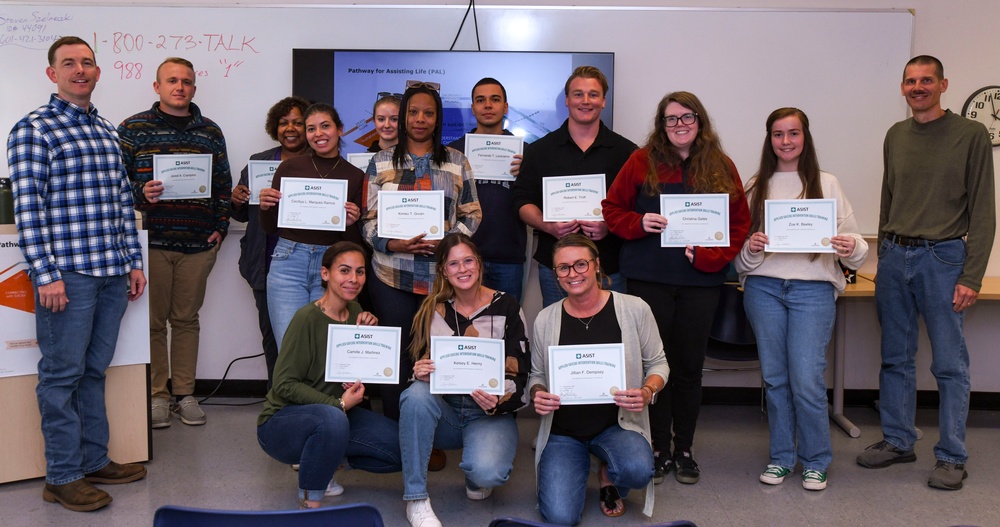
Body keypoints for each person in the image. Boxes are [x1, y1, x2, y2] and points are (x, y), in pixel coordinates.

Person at [6, 35, 147, 512]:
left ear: (97, 71)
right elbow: (29, 208)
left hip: (110, 272)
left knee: (92, 372)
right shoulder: (34, 129)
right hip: (68, 275)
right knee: (61, 375)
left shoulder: (107, 130)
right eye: (69, 63)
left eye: (87, 62)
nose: (80, 70)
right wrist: (45, 275)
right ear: (53, 73)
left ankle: (93, 459)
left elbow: (121, 204)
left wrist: (133, 260)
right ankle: (62, 476)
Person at [856, 55, 995, 491]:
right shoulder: (896, 135)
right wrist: (881, 261)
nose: (918, 87)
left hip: (943, 260)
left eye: (927, 80)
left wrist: (972, 276)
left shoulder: (970, 134)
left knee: (949, 364)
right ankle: (899, 440)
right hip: (896, 257)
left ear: (943, 84)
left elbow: (984, 213)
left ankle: (952, 456)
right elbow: (887, 201)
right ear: (902, 88)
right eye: (911, 81)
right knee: (895, 357)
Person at [602, 91, 750, 486]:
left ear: (700, 122)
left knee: (687, 368)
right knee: (655, 368)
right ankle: (657, 449)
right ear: (661, 125)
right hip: (649, 282)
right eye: (671, 119)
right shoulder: (641, 161)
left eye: (687, 117)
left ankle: (684, 449)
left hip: (700, 283)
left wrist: (708, 257)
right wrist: (639, 223)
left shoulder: (721, 166)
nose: (680, 125)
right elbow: (612, 211)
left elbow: (738, 227)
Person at [734, 107, 868, 491]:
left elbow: (858, 251)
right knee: (775, 379)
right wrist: (754, 247)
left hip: (813, 290)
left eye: (793, 133)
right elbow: (741, 261)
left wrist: (847, 245)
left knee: (807, 378)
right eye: (778, 134)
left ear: (805, 137)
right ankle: (781, 458)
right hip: (763, 289)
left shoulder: (827, 183)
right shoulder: (755, 184)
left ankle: (815, 461)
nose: (786, 141)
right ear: (769, 139)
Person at [118, 57, 232, 429]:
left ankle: (185, 393)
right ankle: (157, 396)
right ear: (157, 87)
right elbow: (115, 184)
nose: (179, 87)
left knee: (186, 320)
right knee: (152, 324)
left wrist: (221, 227)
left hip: (198, 244)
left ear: (194, 88)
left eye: (186, 81)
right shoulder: (133, 128)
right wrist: (140, 190)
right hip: (149, 242)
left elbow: (223, 185)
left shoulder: (210, 131)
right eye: (171, 81)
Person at [360, 80, 482, 422]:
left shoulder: (457, 162)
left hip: (440, 278)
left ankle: (430, 432)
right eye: (413, 112)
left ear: (437, 119)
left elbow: (472, 213)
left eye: (428, 113)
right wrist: (391, 242)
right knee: (396, 356)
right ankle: (396, 430)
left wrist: (448, 243)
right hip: (390, 275)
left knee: (435, 355)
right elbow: (368, 219)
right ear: (402, 117)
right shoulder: (381, 162)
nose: (420, 119)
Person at [529, 233, 668, 525]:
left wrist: (647, 391)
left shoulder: (634, 308)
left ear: (596, 265)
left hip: (616, 425)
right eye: (563, 268)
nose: (573, 274)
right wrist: (538, 392)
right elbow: (537, 375)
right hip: (563, 430)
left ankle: (608, 473)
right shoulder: (545, 318)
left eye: (580, 264)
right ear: (555, 274)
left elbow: (659, 363)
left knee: (638, 470)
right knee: (560, 516)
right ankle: (578, 462)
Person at [257, 242, 401, 509]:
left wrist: (371, 342)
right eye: (344, 270)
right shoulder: (306, 318)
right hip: (283, 422)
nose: (353, 279)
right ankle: (311, 500)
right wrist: (339, 404)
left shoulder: (358, 313)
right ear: (325, 274)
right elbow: (284, 384)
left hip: (337, 416)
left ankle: (325, 460)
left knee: (401, 448)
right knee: (333, 417)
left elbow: (355, 372)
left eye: (360, 272)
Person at [399, 233, 529, 527]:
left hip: (489, 414)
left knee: (487, 473)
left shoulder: (507, 306)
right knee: (416, 394)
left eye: (468, 260)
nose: (462, 269)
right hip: (445, 411)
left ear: (479, 263)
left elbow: (522, 372)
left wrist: (499, 400)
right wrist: (418, 371)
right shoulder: (432, 309)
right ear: (444, 270)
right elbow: (417, 363)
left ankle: (475, 473)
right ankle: (416, 498)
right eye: (453, 263)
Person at [512, 66, 636, 308]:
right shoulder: (539, 151)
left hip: (610, 266)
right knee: (560, 336)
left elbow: (637, 205)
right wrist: (548, 226)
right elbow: (520, 200)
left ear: (603, 101)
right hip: (556, 269)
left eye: (593, 94)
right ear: (567, 100)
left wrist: (610, 226)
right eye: (578, 94)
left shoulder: (628, 153)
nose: (585, 101)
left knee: (611, 338)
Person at [259, 102, 365, 350]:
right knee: (290, 347)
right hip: (288, 261)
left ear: (340, 129)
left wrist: (352, 222)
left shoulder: (355, 175)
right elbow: (270, 227)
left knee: (326, 348)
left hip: (331, 265)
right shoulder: (289, 168)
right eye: (311, 129)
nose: (318, 134)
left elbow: (354, 243)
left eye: (325, 126)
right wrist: (265, 207)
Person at [231, 96, 311, 388]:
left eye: (298, 122)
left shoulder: (321, 162)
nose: (290, 128)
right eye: (283, 122)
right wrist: (237, 199)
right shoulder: (258, 162)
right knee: (273, 336)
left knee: (312, 337)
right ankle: (277, 403)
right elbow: (241, 215)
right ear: (274, 128)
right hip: (265, 263)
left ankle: (310, 401)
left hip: (309, 264)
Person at [447, 78, 527, 302]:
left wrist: (526, 174)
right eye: (481, 100)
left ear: (506, 107)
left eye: (495, 99)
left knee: (506, 327)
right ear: (473, 108)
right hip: (462, 256)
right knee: (462, 327)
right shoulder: (453, 152)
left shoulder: (525, 153)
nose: (488, 105)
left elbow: (535, 201)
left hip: (508, 257)